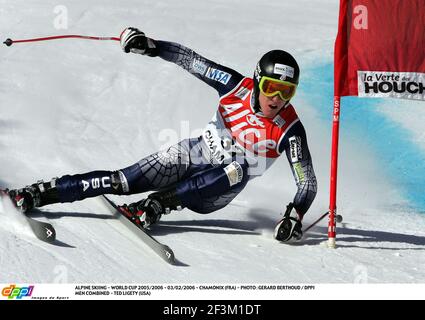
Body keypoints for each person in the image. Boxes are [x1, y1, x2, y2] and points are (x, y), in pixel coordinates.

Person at [5, 27, 317, 242]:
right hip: (195, 154)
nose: (277, 99)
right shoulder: (235, 86)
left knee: (241, 168)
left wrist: (295, 215)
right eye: (271, 88)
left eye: (286, 92)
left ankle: (157, 205)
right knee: (121, 181)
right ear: (257, 81)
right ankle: (39, 192)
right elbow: (191, 60)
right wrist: (150, 46)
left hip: (216, 191)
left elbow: (308, 182)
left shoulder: (289, 130)